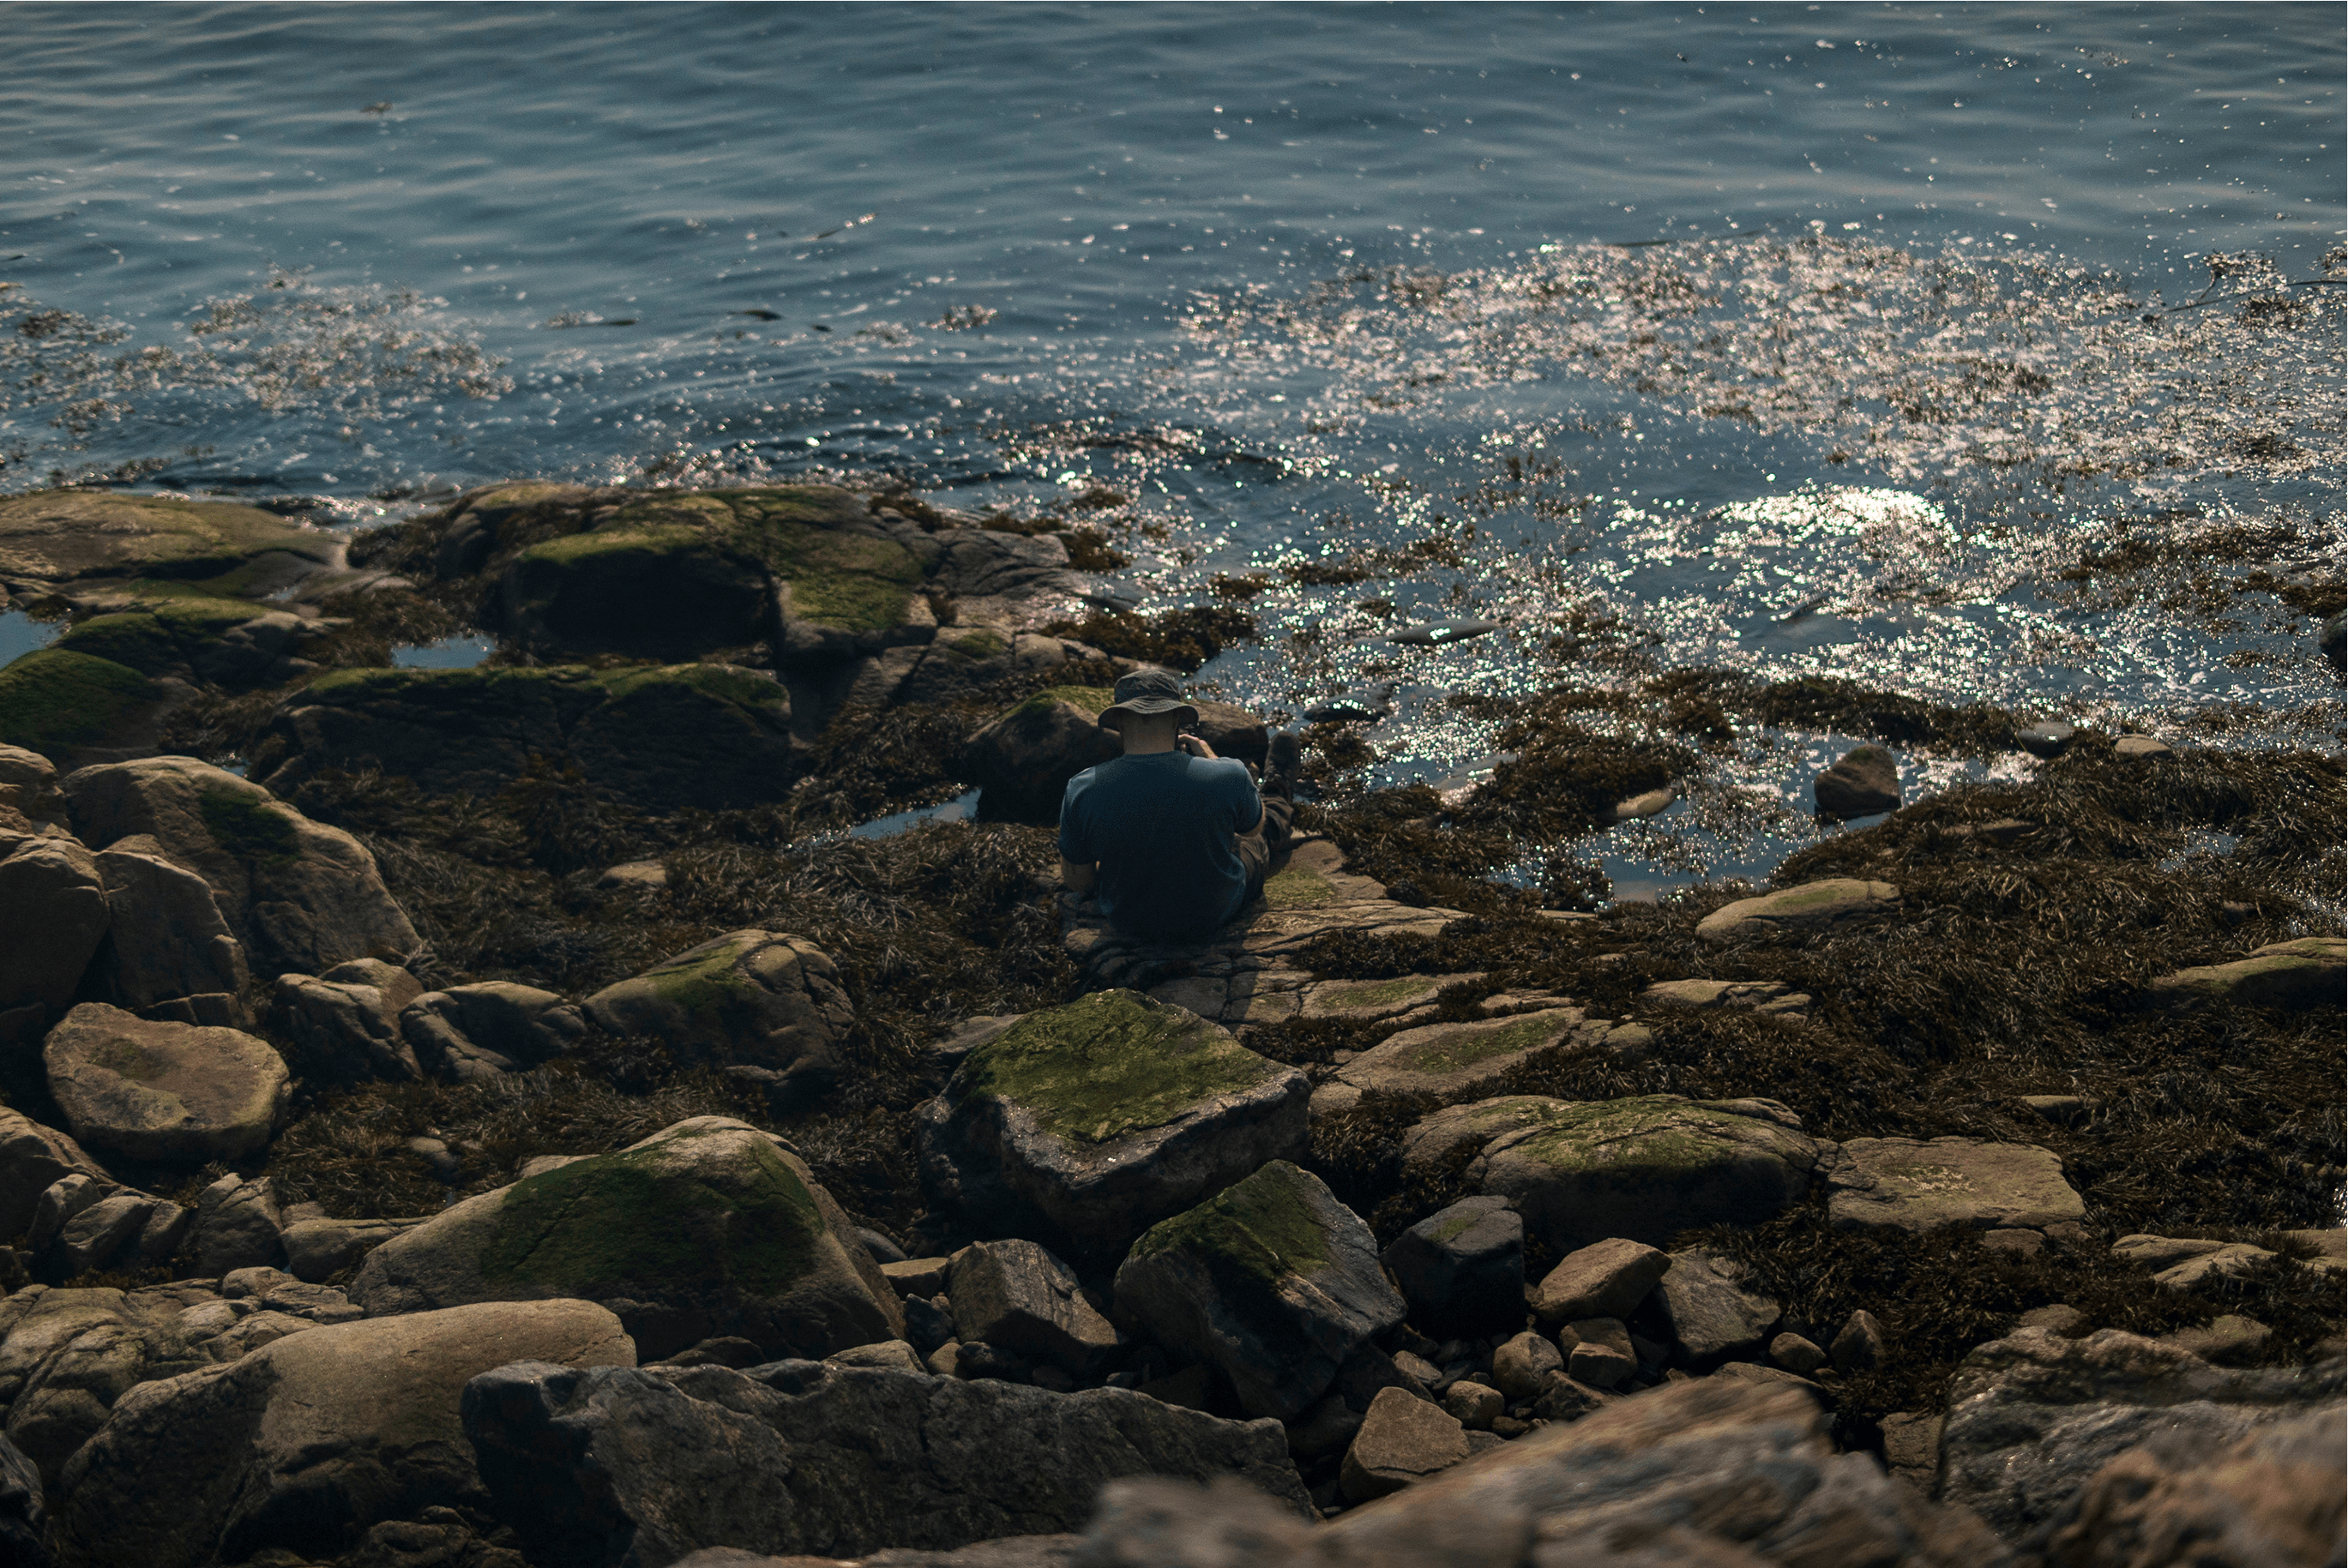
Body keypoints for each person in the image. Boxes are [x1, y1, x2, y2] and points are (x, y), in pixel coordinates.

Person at [1058, 669, 1301, 944]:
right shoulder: (1229, 774)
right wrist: (1213, 763)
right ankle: (1278, 789)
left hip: (1128, 921)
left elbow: (1078, 881)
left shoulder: (1081, 788)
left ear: (1120, 722)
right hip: (1214, 914)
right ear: (1177, 719)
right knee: (1258, 838)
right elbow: (1253, 828)